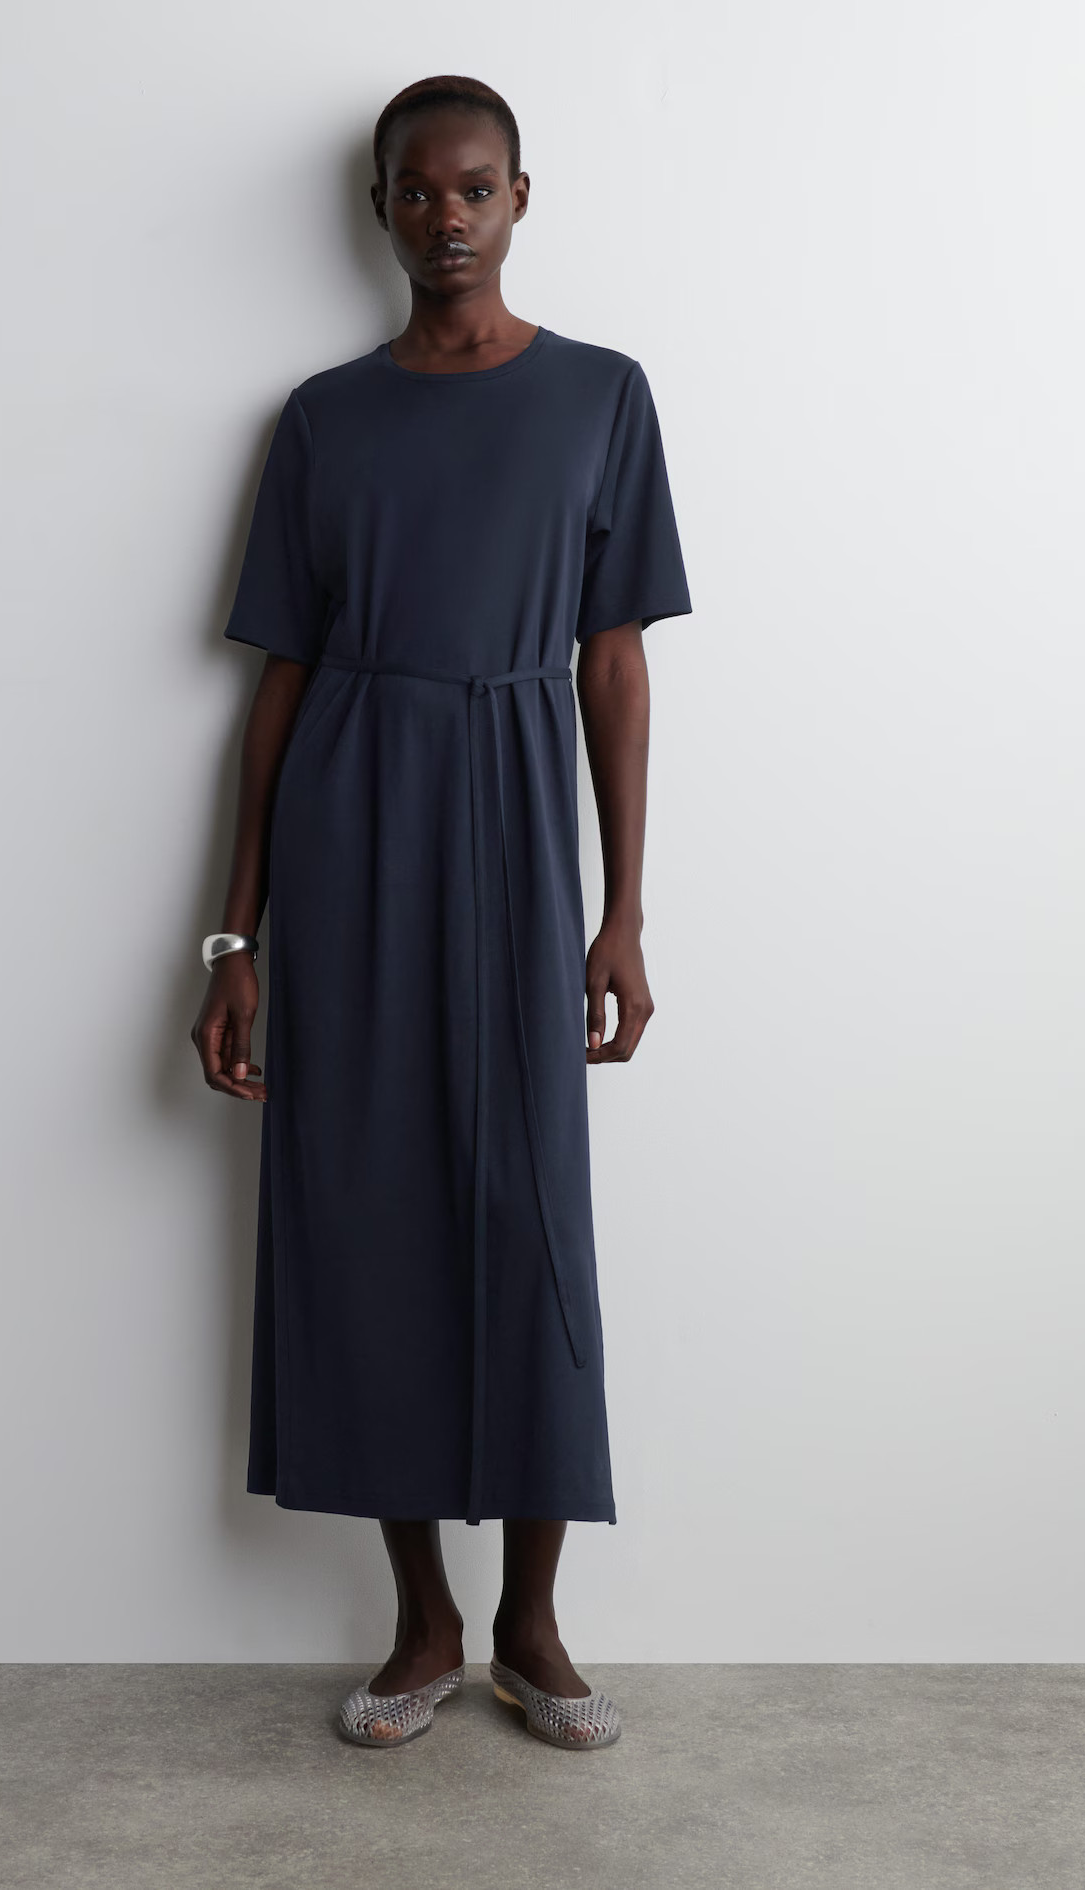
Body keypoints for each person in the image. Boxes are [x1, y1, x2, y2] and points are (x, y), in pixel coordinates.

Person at [191, 74, 692, 1750]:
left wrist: (623, 912)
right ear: (382, 208)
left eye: (475, 187)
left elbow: (614, 663)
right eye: (417, 190)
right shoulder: (323, 419)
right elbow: (281, 679)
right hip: (353, 819)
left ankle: (534, 1621)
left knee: (530, 1207)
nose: (447, 216)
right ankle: (422, 1619)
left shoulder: (602, 396)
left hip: (518, 813)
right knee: (365, 1205)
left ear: (520, 198)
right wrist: (236, 936)